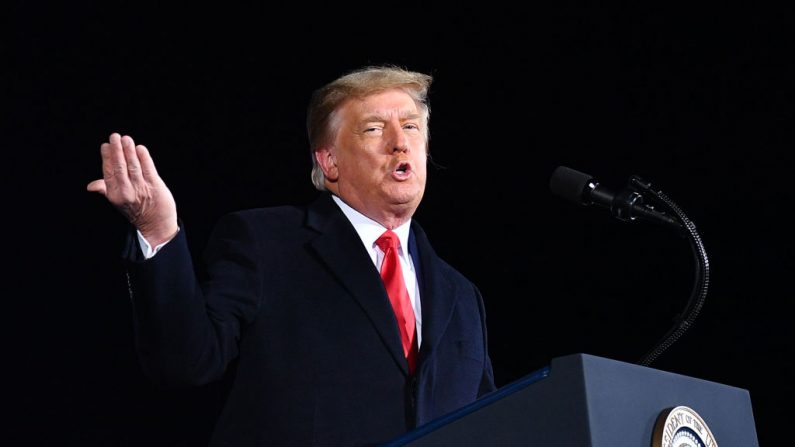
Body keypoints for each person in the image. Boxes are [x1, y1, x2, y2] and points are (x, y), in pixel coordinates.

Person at [88, 65, 496, 446]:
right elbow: (186, 362)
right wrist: (157, 230)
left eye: (410, 127)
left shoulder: (460, 295)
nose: (399, 142)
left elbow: (491, 421)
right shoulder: (267, 243)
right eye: (374, 129)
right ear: (329, 161)